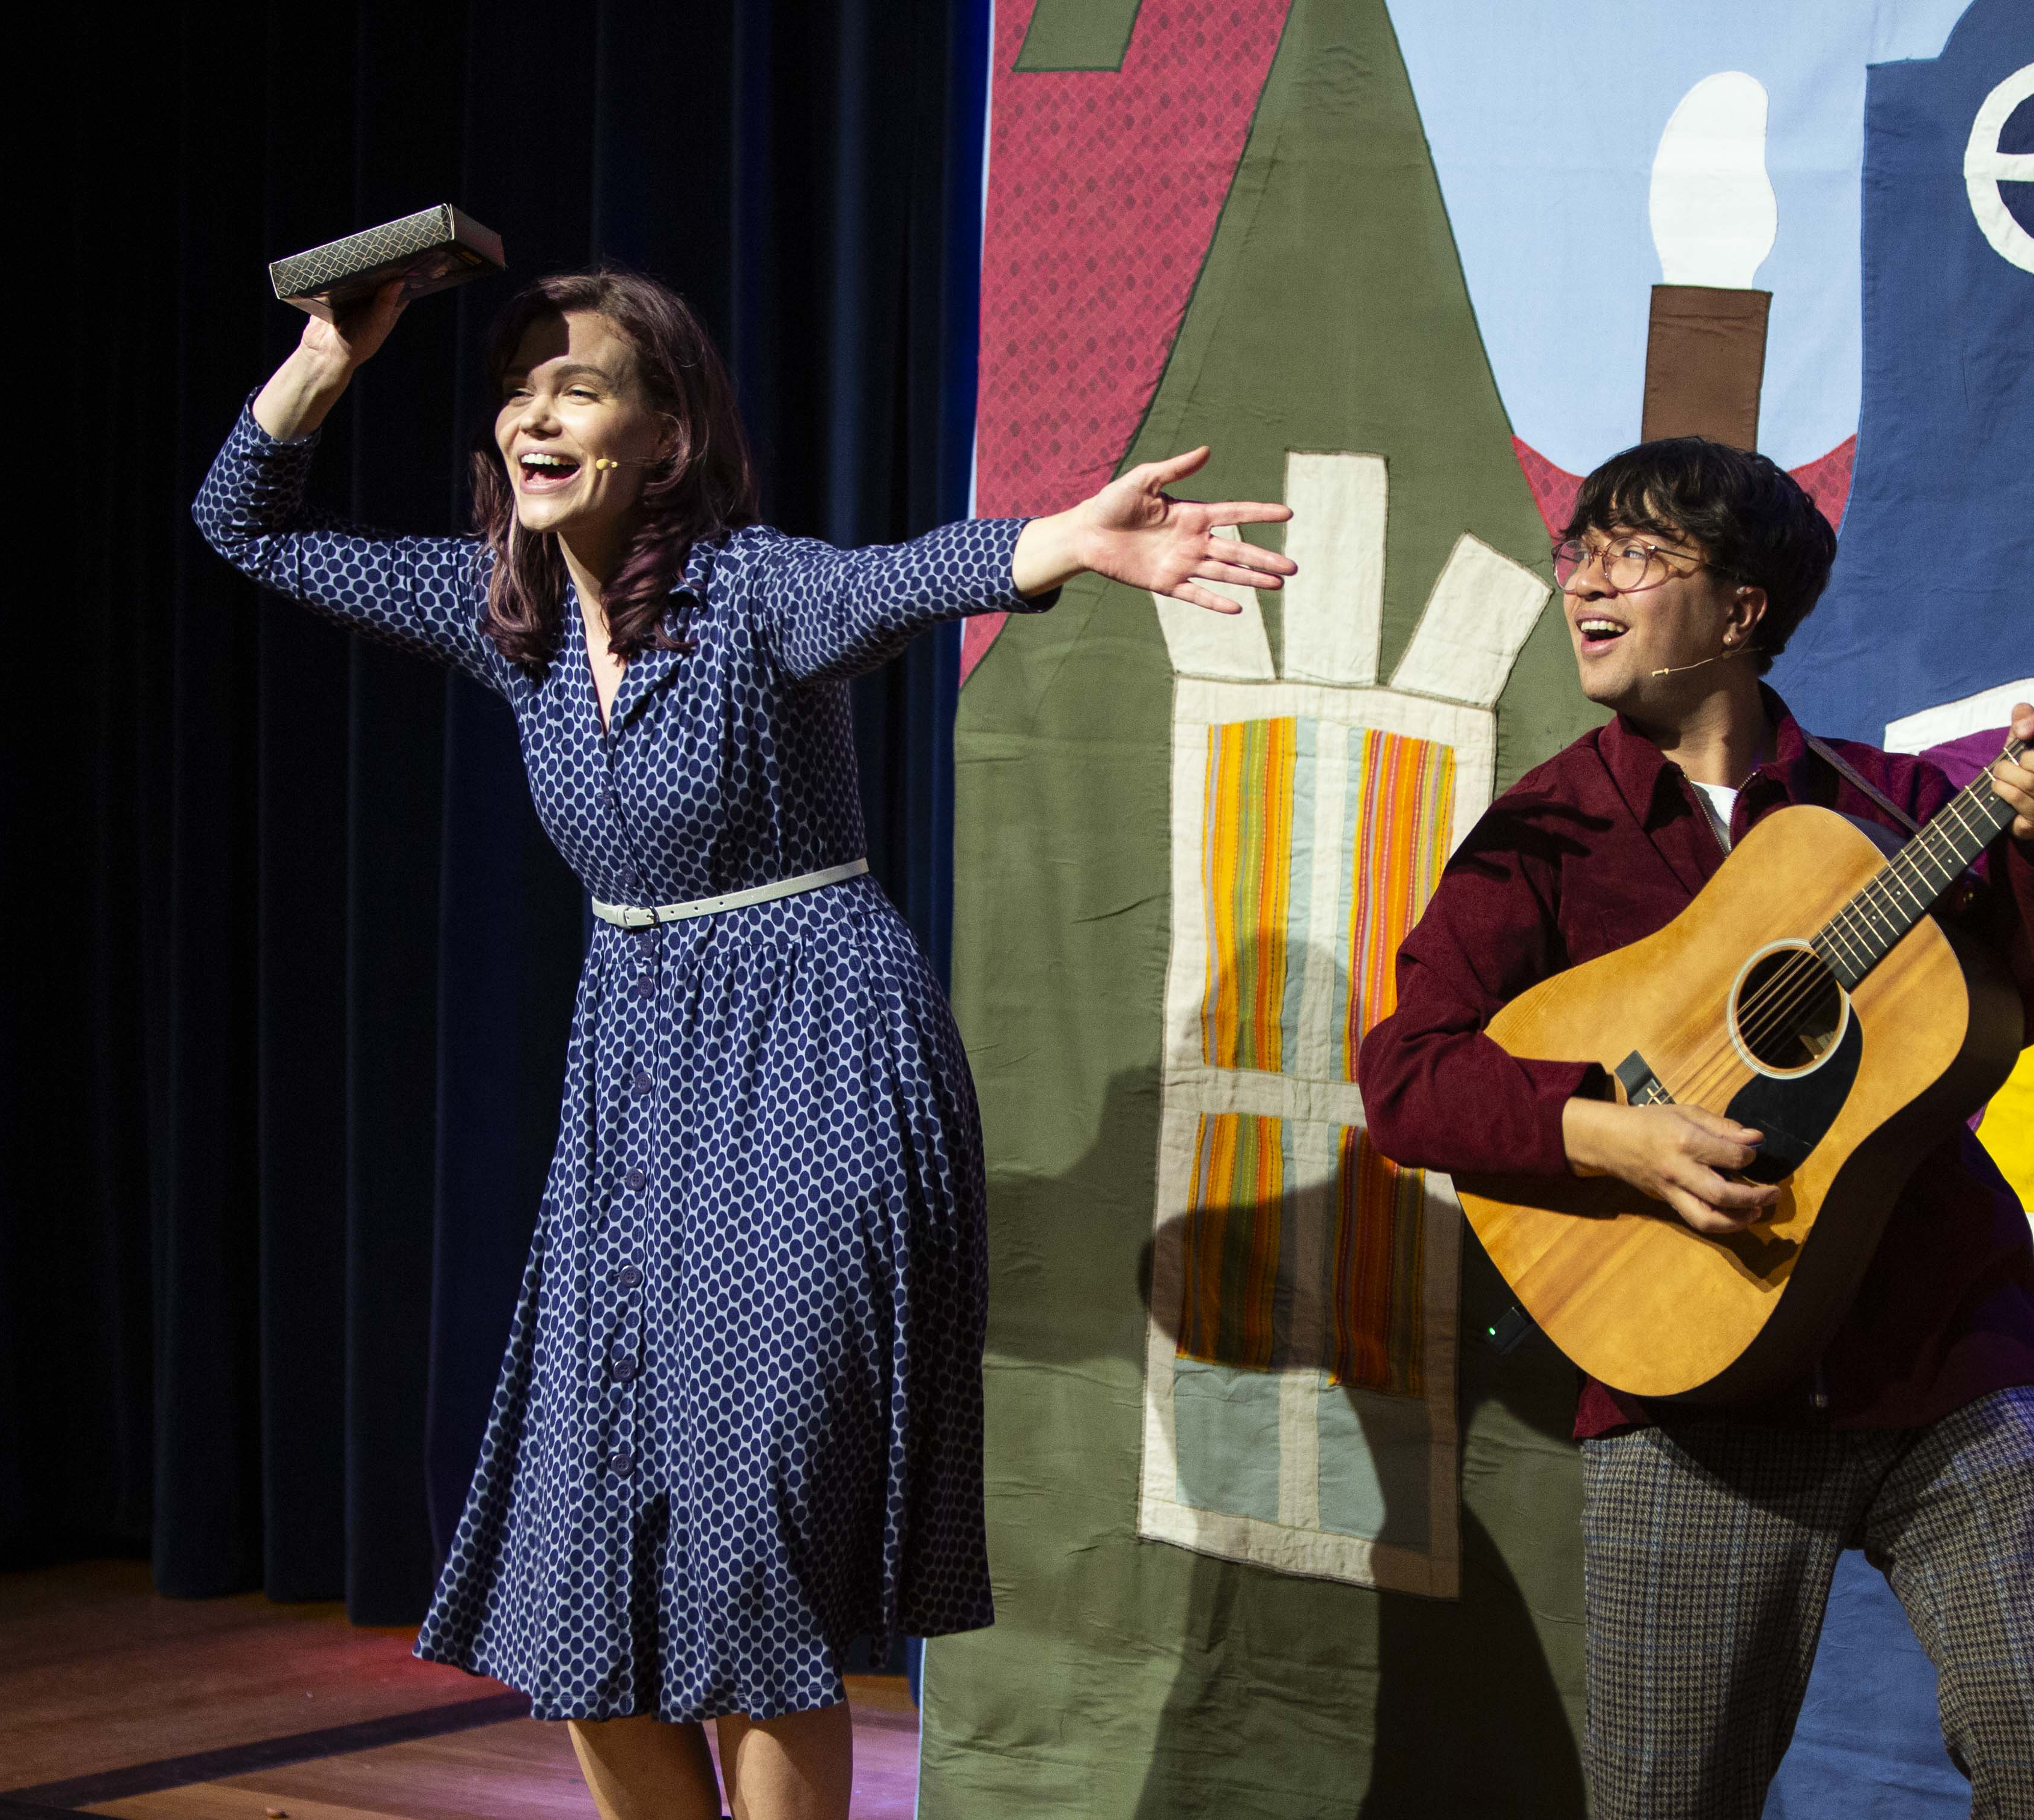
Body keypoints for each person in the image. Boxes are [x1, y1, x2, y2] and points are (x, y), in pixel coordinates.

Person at [193, 268, 1295, 1820]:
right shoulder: (499, 613)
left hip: (821, 1057)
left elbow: (900, 579)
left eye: (581, 385)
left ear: (667, 434)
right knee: (586, 1552)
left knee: (742, 1538)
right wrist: (328, 354)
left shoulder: (750, 587)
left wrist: (1065, 542)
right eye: (520, 386)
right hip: (635, 1082)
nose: (537, 412)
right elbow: (243, 522)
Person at [1357, 438, 2034, 1819]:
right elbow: (1408, 1076)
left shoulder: (1892, 809)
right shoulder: (1544, 839)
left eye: (1633, 553)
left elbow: (2021, 1002)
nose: (1587, 581)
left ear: (1740, 608)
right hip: (1692, 1396)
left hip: (1940, 1359)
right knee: (1668, 1802)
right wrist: (1608, 1132)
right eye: (1577, 550)